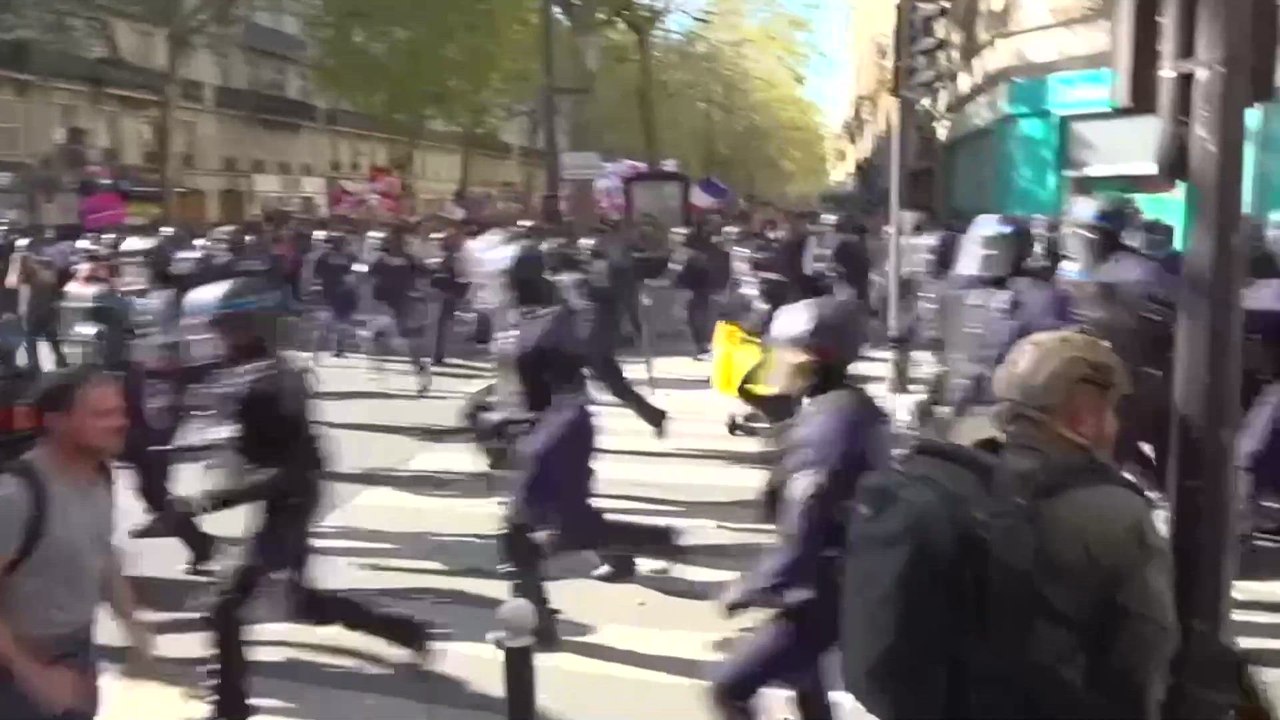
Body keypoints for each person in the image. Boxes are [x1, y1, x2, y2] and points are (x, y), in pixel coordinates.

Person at [843, 329, 1178, 720]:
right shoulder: (1117, 513)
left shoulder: (944, 480)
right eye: (1112, 409)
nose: (1117, 424)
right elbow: (1142, 657)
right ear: (1085, 417)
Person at [175, 277, 434, 720]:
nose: (217, 337)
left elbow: (288, 469)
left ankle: (229, 707)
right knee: (299, 603)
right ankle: (404, 630)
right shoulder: (244, 370)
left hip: (291, 500)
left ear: (250, 326)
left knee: (226, 605)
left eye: (225, 327)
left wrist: (210, 500)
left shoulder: (279, 381)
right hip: (274, 498)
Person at [479, 239, 677, 648]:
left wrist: (643, 408)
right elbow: (513, 379)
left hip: (561, 431)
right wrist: (490, 413)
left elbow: (595, 369)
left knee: (521, 534)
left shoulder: (560, 320)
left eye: (506, 279)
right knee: (564, 520)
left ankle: (541, 626)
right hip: (539, 430)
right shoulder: (518, 318)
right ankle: (630, 550)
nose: (500, 286)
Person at [712, 294, 888, 720]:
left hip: (822, 585)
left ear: (812, 357)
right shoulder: (840, 404)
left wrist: (760, 583)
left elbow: (810, 506)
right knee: (808, 686)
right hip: (835, 577)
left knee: (730, 689)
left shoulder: (832, 419)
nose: (773, 360)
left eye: (780, 351)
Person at [0, 367, 152, 720]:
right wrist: (33, 675)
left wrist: (132, 620)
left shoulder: (100, 475)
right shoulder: (16, 496)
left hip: (77, 655)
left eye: (120, 412)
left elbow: (99, 552)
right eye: (102, 414)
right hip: (16, 669)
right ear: (56, 422)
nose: (120, 423)